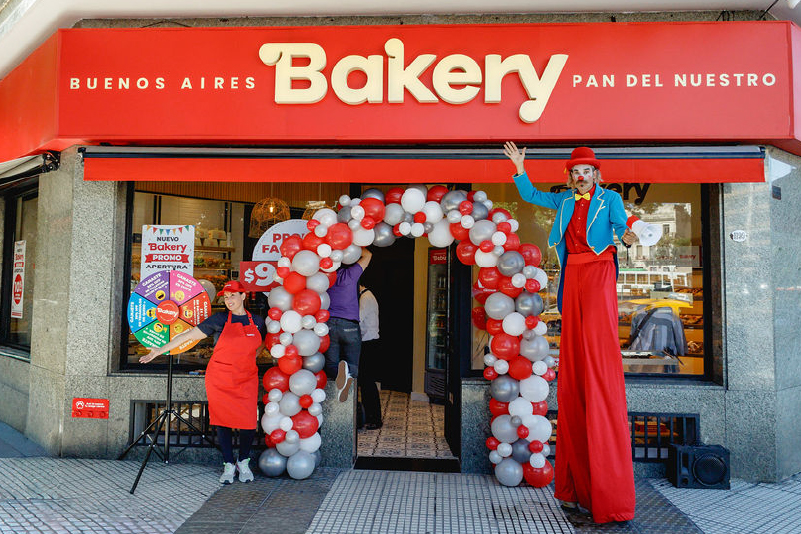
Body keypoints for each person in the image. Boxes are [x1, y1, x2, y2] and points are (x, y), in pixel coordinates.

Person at [504, 141, 637, 524]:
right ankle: (575, 487)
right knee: (575, 353)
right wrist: (519, 167)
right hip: (573, 274)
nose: (581, 177)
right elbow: (530, 194)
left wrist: (629, 236)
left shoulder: (609, 199)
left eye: (587, 171)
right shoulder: (563, 201)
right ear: (571, 177)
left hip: (598, 268)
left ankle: (606, 492)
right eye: (576, 172)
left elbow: (623, 227)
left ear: (596, 175)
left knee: (596, 346)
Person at [139, 280, 265, 485]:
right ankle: (228, 464)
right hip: (220, 377)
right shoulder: (219, 319)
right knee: (222, 420)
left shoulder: (258, 321)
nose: (228, 300)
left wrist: (249, 359)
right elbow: (188, 335)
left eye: (233, 295)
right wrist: (160, 350)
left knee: (248, 421)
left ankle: (243, 461)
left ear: (243, 296)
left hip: (246, 377)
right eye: (225, 297)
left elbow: (261, 345)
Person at [325, 248, 372, 402]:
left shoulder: (324, 278)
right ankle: (347, 385)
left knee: (331, 364)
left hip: (330, 324)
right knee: (353, 364)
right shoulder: (351, 274)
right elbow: (368, 255)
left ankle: (339, 383)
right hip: (350, 325)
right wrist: (352, 245)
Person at [357, 284, 382, 429]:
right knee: (366, 383)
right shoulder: (366, 296)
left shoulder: (366, 298)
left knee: (368, 383)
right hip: (369, 343)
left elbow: (358, 319)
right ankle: (370, 417)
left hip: (369, 344)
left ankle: (375, 419)